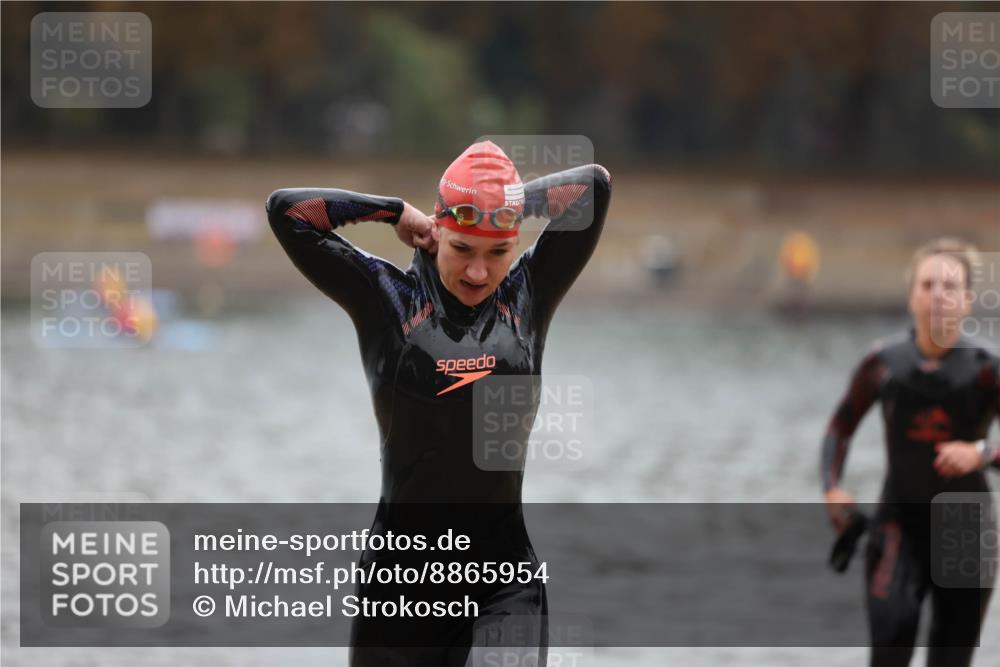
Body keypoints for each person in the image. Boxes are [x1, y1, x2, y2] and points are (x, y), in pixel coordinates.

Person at [267, 140, 611, 666]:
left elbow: (594, 188)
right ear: (437, 234)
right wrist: (392, 211)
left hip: (503, 586)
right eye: (462, 249)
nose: (478, 273)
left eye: (497, 253)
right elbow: (289, 212)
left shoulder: (528, 298)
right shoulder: (387, 302)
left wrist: (510, 199)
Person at [820, 238, 999, 667]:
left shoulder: (987, 368)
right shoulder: (883, 363)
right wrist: (832, 487)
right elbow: (840, 427)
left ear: (967, 301)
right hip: (897, 524)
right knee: (890, 643)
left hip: (965, 530)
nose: (938, 295)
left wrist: (981, 452)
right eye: (928, 284)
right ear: (911, 296)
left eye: (949, 286)